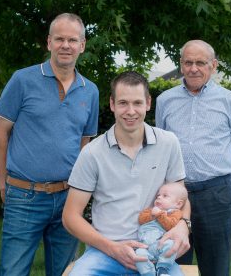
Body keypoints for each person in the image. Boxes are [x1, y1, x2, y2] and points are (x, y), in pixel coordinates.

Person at [0, 13, 99, 276]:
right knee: (13, 271)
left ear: (82, 45)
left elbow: (86, 144)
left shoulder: (90, 90)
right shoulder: (23, 79)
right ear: (49, 42)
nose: (66, 45)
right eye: (60, 39)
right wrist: (3, 182)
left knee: (66, 272)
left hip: (68, 198)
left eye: (72, 40)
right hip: (24, 194)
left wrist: (81, 192)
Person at [62, 71, 191, 275]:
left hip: (154, 250)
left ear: (148, 103)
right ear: (112, 104)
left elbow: (181, 197)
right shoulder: (92, 153)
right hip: (104, 252)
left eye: (137, 103)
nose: (131, 111)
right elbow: (70, 216)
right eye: (123, 103)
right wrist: (113, 249)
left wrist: (183, 226)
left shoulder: (169, 143)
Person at [155, 40, 231, 276]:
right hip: (175, 198)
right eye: (188, 62)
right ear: (181, 64)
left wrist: (229, 191)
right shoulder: (164, 100)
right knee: (171, 265)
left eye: (200, 62)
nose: (193, 68)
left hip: (216, 195)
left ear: (214, 65)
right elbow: (161, 148)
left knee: (216, 268)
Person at [136, 183, 188, 276]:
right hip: (144, 246)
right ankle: (148, 273)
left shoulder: (175, 213)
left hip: (160, 244)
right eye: (158, 196)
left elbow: (170, 225)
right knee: (139, 254)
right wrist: (152, 214)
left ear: (178, 204)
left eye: (165, 196)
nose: (159, 198)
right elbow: (141, 220)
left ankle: (162, 269)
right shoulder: (150, 210)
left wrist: (160, 214)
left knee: (171, 245)